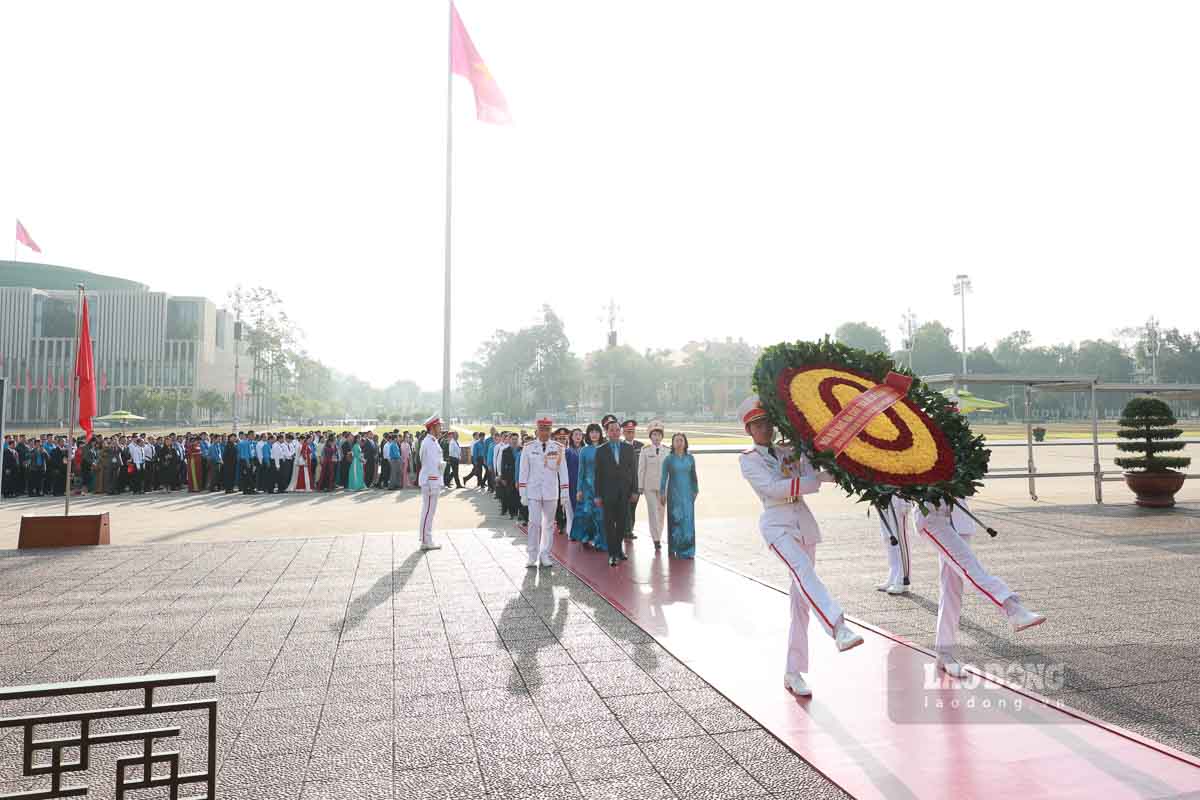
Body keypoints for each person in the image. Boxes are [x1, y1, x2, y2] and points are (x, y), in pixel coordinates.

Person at [736, 395, 864, 698]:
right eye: (757, 425)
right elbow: (772, 488)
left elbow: (816, 473)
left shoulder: (787, 451)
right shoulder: (748, 459)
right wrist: (809, 481)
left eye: (767, 422)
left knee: (800, 604)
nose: (764, 429)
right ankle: (838, 627)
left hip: (803, 525)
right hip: (777, 526)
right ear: (749, 431)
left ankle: (793, 672)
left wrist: (850, 468)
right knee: (803, 571)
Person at [916, 498, 1046, 677]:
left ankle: (944, 653)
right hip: (933, 516)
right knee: (971, 569)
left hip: (959, 517)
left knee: (952, 589)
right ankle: (1012, 609)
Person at [518, 418, 571, 569]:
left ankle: (545, 554)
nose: (544, 432)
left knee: (548, 524)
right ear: (537, 429)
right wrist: (523, 492)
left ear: (550, 430)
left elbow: (563, 472)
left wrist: (564, 493)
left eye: (547, 429)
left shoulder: (558, 447)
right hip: (533, 491)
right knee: (534, 523)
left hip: (551, 491)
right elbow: (523, 471)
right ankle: (532, 555)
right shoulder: (528, 447)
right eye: (542, 429)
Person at [595, 419, 637, 567]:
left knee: (622, 524)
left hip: (624, 492)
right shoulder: (601, 450)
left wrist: (634, 491)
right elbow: (598, 474)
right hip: (607, 493)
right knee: (609, 524)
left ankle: (618, 549)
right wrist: (598, 495)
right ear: (607, 432)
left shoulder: (628, 448)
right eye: (611, 430)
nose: (614, 432)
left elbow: (633, 472)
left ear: (620, 431)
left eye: (616, 429)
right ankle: (612, 554)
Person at [661, 432, 699, 559]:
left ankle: (688, 550)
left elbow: (694, 476)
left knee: (688, 521)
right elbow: (663, 478)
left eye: (681, 440)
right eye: (676, 440)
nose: (679, 443)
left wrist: (695, 490)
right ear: (672, 443)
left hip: (688, 494)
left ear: (685, 442)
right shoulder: (669, 459)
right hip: (674, 494)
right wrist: (662, 493)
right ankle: (675, 547)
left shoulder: (690, 458)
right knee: (676, 520)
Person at [571, 424, 605, 551]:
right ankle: (586, 537)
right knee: (587, 513)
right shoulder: (584, 451)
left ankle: (600, 541)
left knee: (601, 516)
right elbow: (581, 472)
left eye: (597, 432)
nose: (594, 434)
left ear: (600, 434)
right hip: (587, 488)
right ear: (588, 435)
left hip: (601, 487)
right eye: (592, 432)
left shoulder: (605, 449)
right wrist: (579, 489)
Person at [637, 421, 668, 550]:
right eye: (654, 434)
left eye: (658, 435)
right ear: (650, 436)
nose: (656, 437)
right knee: (653, 512)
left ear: (662, 436)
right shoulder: (645, 450)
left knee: (661, 513)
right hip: (649, 486)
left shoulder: (667, 450)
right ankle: (656, 539)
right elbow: (641, 469)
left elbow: (669, 471)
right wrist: (640, 485)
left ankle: (658, 536)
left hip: (663, 487)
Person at [417, 415, 445, 550]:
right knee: (428, 511)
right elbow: (431, 465)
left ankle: (425, 539)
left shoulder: (431, 441)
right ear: (433, 427)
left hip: (430, 480)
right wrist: (435, 483)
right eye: (439, 426)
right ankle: (426, 540)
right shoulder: (430, 442)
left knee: (428, 511)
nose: (441, 428)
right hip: (430, 481)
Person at [875, 497, 913, 595]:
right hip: (882, 489)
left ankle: (903, 579)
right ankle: (894, 575)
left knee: (900, 537)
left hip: (899, 492)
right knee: (888, 536)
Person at [621, 420, 644, 540]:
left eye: (632, 431)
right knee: (624, 508)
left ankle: (630, 529)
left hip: (637, 482)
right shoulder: (620, 446)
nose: (630, 433)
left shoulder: (641, 446)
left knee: (633, 508)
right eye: (628, 431)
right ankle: (625, 530)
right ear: (623, 432)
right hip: (623, 483)